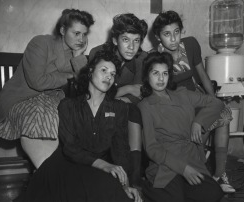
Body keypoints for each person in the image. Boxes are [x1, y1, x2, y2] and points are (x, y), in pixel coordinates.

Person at [15, 50, 142, 202]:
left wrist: (125, 183)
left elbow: (120, 149)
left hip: (98, 165)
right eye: (104, 70)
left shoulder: (119, 108)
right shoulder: (68, 106)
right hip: (67, 165)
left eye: (113, 74)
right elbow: (70, 148)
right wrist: (104, 166)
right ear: (90, 72)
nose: (109, 76)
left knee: (114, 192)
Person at [0, 9, 94, 169]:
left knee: (71, 118)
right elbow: (37, 82)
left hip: (51, 100)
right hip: (21, 97)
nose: (81, 39)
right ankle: (47, 172)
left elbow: (86, 88)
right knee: (39, 115)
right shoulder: (40, 43)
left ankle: (57, 174)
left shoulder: (75, 53)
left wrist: (79, 57)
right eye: (76, 33)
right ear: (62, 30)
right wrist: (71, 76)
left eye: (84, 34)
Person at [151, 10, 235, 193]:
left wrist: (213, 101)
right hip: (176, 106)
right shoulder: (155, 58)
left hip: (196, 99)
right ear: (158, 37)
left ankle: (220, 174)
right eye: (167, 34)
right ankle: (199, 164)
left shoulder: (190, 44)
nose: (173, 39)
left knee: (223, 114)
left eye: (176, 32)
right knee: (193, 132)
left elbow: (203, 75)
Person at [138, 51, 224, 202]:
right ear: (147, 76)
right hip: (166, 165)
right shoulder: (145, 106)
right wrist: (184, 169)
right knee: (176, 198)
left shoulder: (183, 94)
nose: (160, 78)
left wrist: (199, 121)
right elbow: (152, 148)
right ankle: (148, 189)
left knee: (214, 194)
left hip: (191, 158)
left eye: (165, 73)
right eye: (155, 73)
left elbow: (216, 103)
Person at [89, 13, 148, 187]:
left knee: (133, 111)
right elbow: (95, 94)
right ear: (115, 40)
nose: (131, 47)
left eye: (136, 41)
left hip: (125, 109)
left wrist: (119, 95)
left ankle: (135, 175)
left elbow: (138, 95)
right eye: (126, 40)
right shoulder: (97, 53)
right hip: (96, 108)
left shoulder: (141, 59)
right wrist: (126, 89)